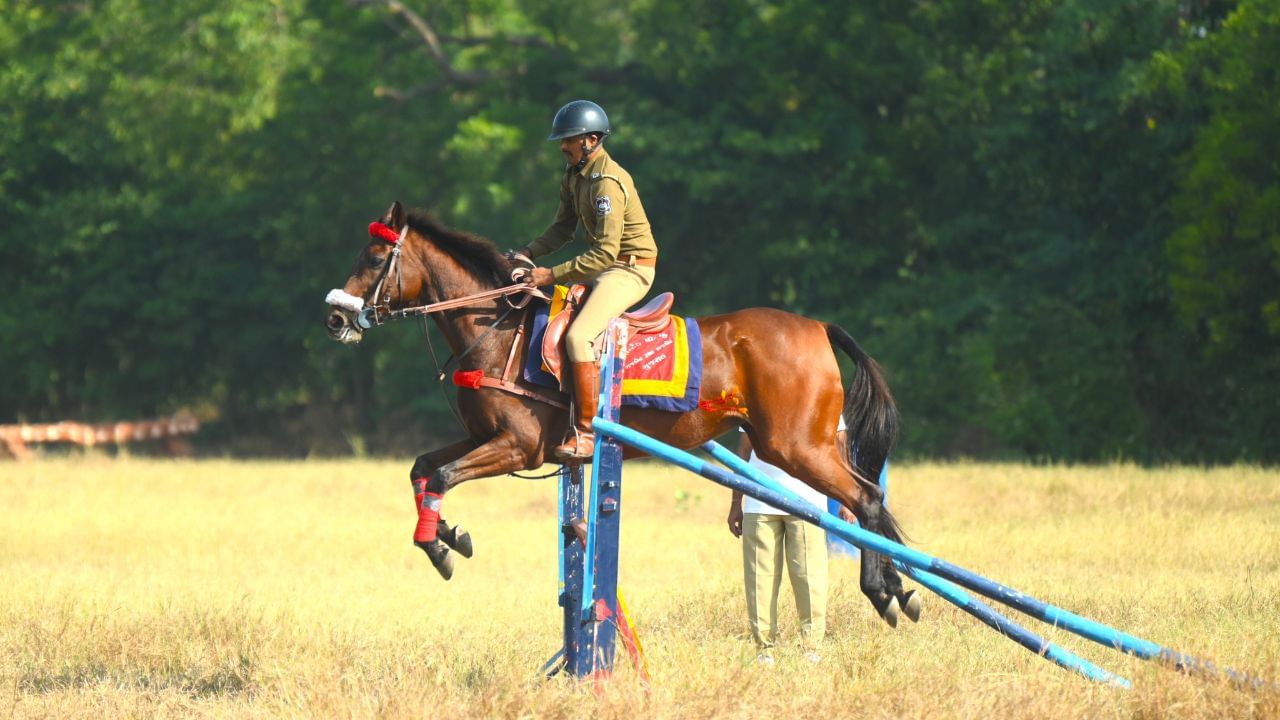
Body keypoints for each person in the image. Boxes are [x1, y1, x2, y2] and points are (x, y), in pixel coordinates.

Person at [508, 100, 659, 461]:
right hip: (605, 267)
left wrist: (549, 273)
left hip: (630, 269)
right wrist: (526, 253)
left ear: (591, 140)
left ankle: (588, 433)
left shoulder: (606, 183)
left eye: (569, 140)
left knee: (578, 338)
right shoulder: (575, 175)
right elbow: (562, 229)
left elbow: (605, 254)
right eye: (562, 140)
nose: (562, 146)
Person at [727, 422, 854, 665]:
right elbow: (744, 453)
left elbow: (840, 450)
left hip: (807, 501)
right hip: (760, 500)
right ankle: (764, 650)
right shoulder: (756, 390)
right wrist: (736, 503)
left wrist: (846, 499)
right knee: (759, 578)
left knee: (809, 577)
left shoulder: (820, 388)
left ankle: (811, 648)